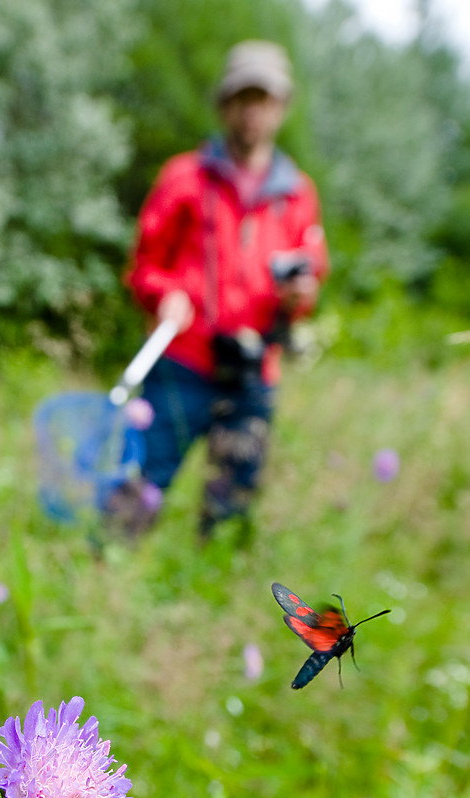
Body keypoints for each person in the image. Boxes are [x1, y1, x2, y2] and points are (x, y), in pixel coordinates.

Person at [114, 40, 329, 539]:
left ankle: (209, 599)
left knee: (231, 508)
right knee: (137, 489)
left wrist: (301, 295)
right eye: (243, 98)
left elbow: (311, 280)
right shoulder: (184, 178)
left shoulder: (298, 194)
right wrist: (162, 293)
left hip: (252, 374)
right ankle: (103, 577)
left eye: (264, 100)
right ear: (224, 105)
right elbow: (144, 265)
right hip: (181, 364)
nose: (252, 112)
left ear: (282, 107)